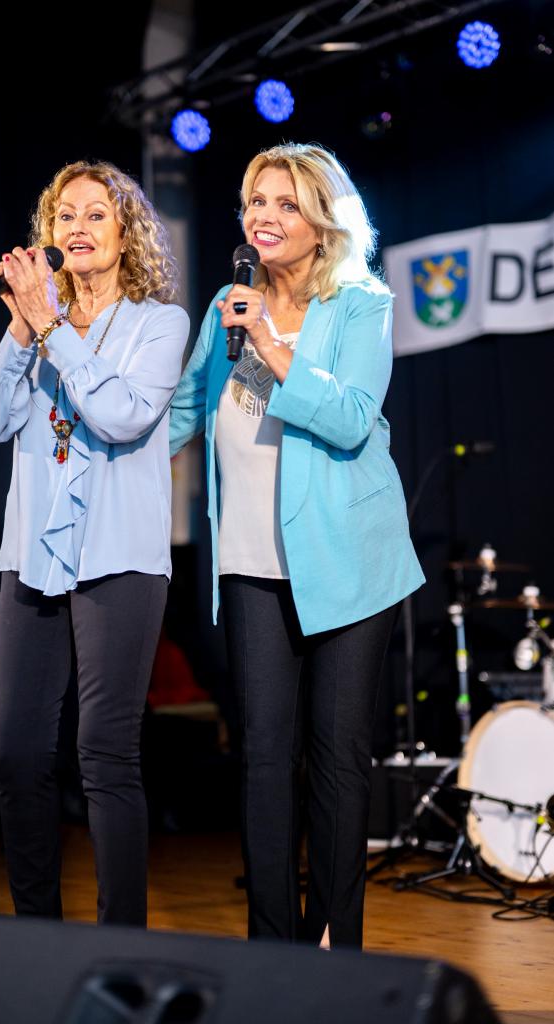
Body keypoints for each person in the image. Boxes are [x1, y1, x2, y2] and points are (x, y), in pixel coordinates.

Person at [169, 143, 424, 949]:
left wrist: (271, 344)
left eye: (285, 203)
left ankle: (333, 945)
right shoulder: (228, 302)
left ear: (321, 220)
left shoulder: (360, 304)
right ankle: (271, 950)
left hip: (348, 558)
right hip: (250, 562)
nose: (265, 217)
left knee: (337, 757)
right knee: (262, 758)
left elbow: (349, 419)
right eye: (256, 201)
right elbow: (183, 410)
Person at [0, 160, 189, 925]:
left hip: (119, 557)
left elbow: (122, 417)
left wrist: (54, 329)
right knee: (16, 753)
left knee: (104, 752)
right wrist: (21, 328)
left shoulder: (159, 323)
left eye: (96, 214)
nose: (78, 227)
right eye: (65, 216)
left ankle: (119, 939)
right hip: (32, 556)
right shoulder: (37, 327)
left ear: (127, 233)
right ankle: (39, 939)